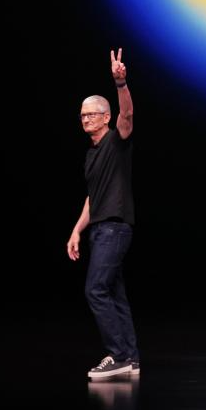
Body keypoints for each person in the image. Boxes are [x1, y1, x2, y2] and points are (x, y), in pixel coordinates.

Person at [67, 48, 140, 380]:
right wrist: (76, 230)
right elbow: (92, 198)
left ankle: (118, 355)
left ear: (106, 117)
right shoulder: (91, 155)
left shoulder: (116, 141)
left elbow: (128, 115)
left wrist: (120, 83)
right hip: (98, 229)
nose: (86, 119)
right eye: (82, 115)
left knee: (95, 289)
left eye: (92, 114)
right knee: (114, 293)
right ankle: (131, 358)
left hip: (114, 228)